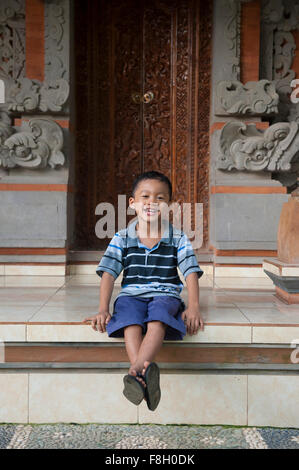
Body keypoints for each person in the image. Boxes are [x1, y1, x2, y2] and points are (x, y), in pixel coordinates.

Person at [83, 171, 204, 411]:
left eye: (160, 198)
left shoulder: (178, 238)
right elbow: (109, 274)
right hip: (131, 294)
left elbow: (190, 271)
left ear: (168, 205)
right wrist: (102, 309)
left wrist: (194, 306)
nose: (152, 202)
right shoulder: (122, 237)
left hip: (165, 294)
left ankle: (135, 371)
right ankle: (144, 375)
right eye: (145, 196)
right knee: (131, 321)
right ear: (133, 203)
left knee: (158, 318)